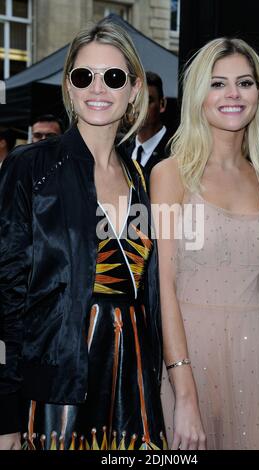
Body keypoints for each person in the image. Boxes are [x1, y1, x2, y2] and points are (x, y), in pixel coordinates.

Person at [0, 19, 166, 451]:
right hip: (55, 382)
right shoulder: (31, 168)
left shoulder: (142, 180)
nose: (97, 88)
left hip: (132, 383)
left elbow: (145, 290)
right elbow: (4, 295)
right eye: (83, 76)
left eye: (113, 77)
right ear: (69, 88)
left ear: (134, 90)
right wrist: (4, 415)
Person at [150, 37, 259, 450]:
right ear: (199, 95)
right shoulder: (171, 175)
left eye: (245, 83)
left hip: (258, 361)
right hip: (192, 360)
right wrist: (185, 394)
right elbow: (163, 287)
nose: (233, 94)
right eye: (218, 84)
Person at [125, 71, 171, 186]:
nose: (140, 108)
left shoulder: (177, 150)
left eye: (148, 101)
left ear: (162, 104)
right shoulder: (121, 149)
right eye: (136, 100)